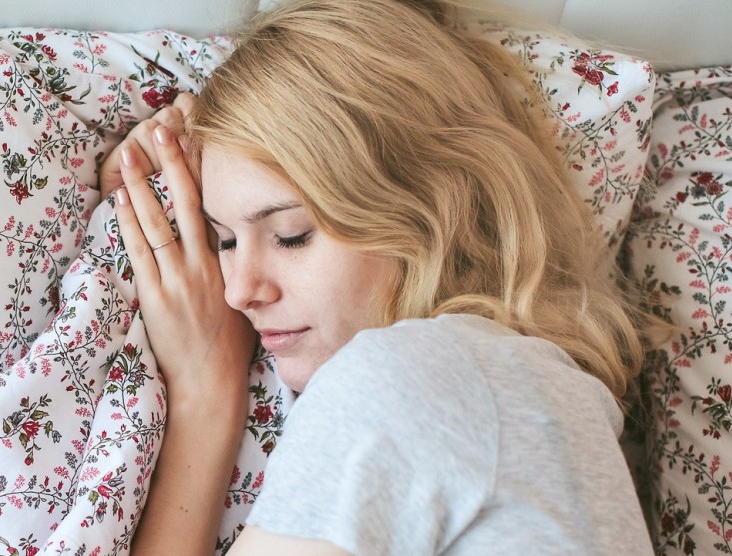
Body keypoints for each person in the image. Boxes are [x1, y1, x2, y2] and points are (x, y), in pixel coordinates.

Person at [100, 0, 657, 554]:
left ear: (428, 210)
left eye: (292, 235)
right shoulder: (542, 391)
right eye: (223, 239)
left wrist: (204, 394)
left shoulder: (405, 377)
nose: (238, 291)